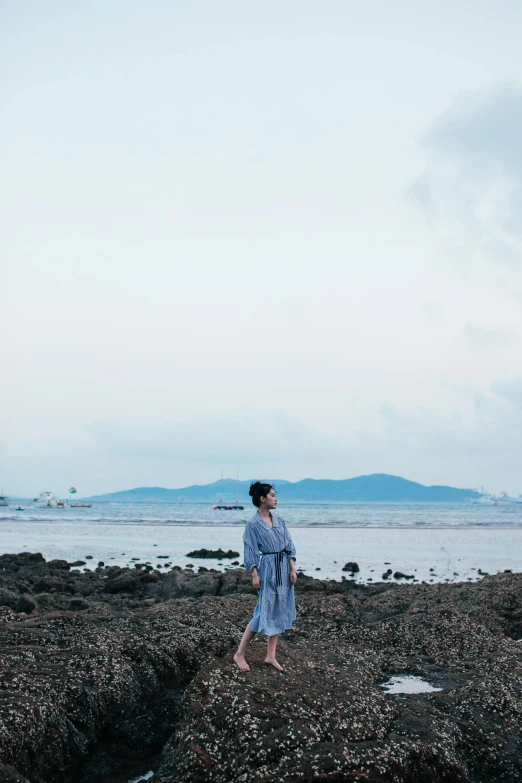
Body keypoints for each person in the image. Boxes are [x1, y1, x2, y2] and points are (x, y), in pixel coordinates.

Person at [233, 481, 297, 672]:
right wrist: (254, 574)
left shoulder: (280, 521)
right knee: (263, 611)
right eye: (272, 495)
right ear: (262, 499)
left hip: (283, 568)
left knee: (279, 609)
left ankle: (271, 656)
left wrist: (293, 569)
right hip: (267, 568)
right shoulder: (253, 524)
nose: (275, 499)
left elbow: (288, 546)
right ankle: (240, 653)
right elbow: (250, 549)